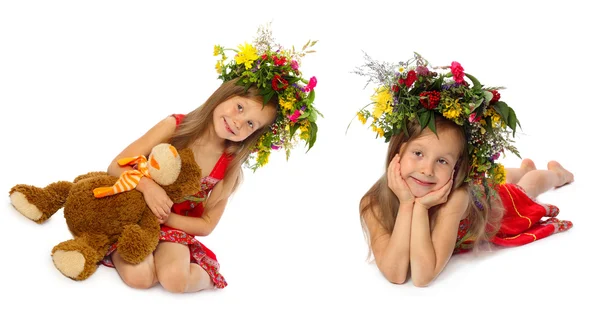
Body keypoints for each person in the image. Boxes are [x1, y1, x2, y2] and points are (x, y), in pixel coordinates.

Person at [100, 24, 321, 293]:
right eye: (239, 107)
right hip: (135, 216)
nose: (238, 122)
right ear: (225, 94)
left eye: (251, 124)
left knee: (175, 281)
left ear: (255, 135)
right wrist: (148, 187)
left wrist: (164, 217)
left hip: (172, 228)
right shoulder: (175, 127)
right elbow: (116, 165)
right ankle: (114, 246)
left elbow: (206, 225)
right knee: (141, 279)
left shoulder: (228, 168)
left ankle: (205, 273)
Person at [353, 52, 574, 287]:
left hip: (485, 204)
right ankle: (522, 168)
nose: (427, 170)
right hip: (475, 189)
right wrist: (408, 204)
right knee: (498, 180)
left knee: (521, 189)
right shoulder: (373, 203)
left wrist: (418, 207)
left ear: (456, 168)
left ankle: (556, 174)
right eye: (418, 154)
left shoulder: (455, 198)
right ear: (397, 152)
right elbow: (396, 274)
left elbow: (422, 277)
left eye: (442, 161)